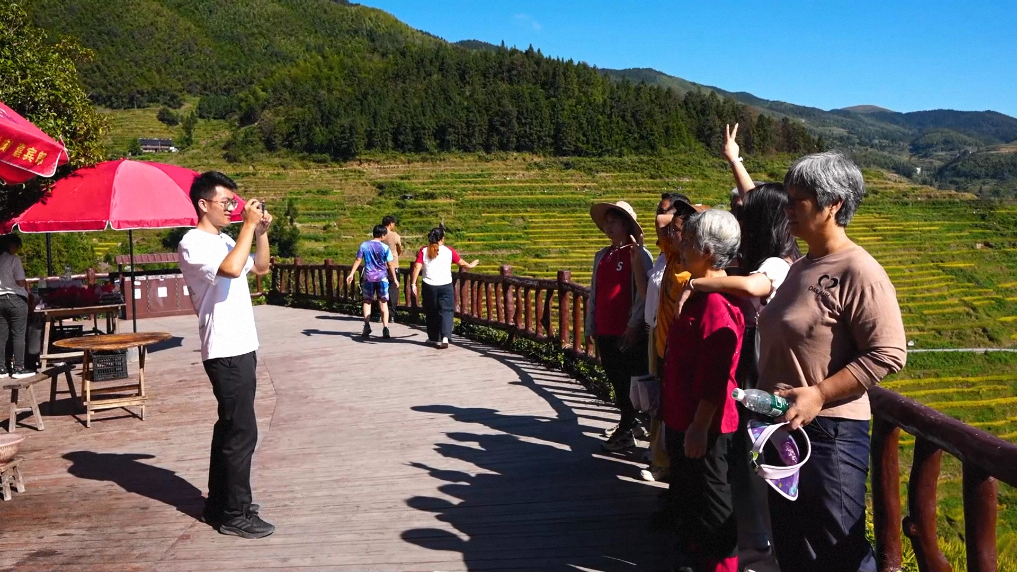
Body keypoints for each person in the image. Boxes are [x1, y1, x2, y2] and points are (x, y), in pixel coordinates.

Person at [757, 152, 907, 572]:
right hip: (785, 426)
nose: (787, 208)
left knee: (836, 550)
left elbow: (889, 352)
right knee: (793, 545)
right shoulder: (801, 267)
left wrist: (820, 393)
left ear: (833, 204)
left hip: (829, 434)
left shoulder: (859, 270)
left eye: (798, 199)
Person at [178, 171, 274, 539]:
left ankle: (220, 503)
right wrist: (248, 225)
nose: (232, 209)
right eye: (226, 202)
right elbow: (232, 269)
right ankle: (236, 513)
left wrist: (260, 232)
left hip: (241, 345)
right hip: (224, 348)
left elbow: (260, 267)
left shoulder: (226, 239)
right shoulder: (193, 242)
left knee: (230, 428)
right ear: (203, 204)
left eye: (235, 202)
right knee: (242, 432)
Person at [661, 209, 744, 572]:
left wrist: (699, 425)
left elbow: (716, 374)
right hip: (686, 416)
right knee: (694, 494)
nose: (681, 245)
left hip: (705, 424)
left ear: (708, 251)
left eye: (690, 241)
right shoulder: (698, 292)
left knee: (712, 501)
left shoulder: (715, 304)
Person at [585, 201, 653, 452]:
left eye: (614, 221)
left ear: (626, 224)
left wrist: (634, 324)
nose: (609, 226)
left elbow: (643, 294)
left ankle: (630, 427)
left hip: (627, 331)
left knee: (631, 383)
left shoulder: (639, 255)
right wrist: (591, 325)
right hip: (605, 329)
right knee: (616, 379)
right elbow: (595, 292)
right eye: (607, 222)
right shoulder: (602, 255)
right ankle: (629, 423)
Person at [409, 226, 478, 348]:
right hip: (445, 284)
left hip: (429, 285)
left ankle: (433, 338)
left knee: (431, 311)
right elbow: (461, 263)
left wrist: (413, 283)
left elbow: (417, 267)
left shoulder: (424, 250)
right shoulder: (448, 250)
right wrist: (470, 265)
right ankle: (445, 337)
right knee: (447, 310)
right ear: (442, 238)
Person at [346, 225, 399, 339]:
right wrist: (394, 279)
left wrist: (351, 273)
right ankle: (385, 328)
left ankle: (366, 325)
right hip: (382, 278)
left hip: (368, 278)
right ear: (382, 235)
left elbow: (358, 260)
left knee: (367, 302)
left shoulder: (364, 245)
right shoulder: (385, 247)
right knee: (383, 303)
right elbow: (390, 264)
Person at [0, 234, 33, 379]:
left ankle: (2, 368)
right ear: (11, 245)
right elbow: (20, 282)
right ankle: (19, 367)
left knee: (1, 336)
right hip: (15, 298)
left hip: (0, 299)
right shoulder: (14, 259)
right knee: (18, 334)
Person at [380, 216, 404, 320]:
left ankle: (382, 313)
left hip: (381, 265)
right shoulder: (395, 235)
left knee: (381, 289)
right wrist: (396, 255)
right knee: (393, 289)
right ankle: (392, 314)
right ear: (390, 224)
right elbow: (399, 248)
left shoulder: (380, 234)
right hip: (393, 265)